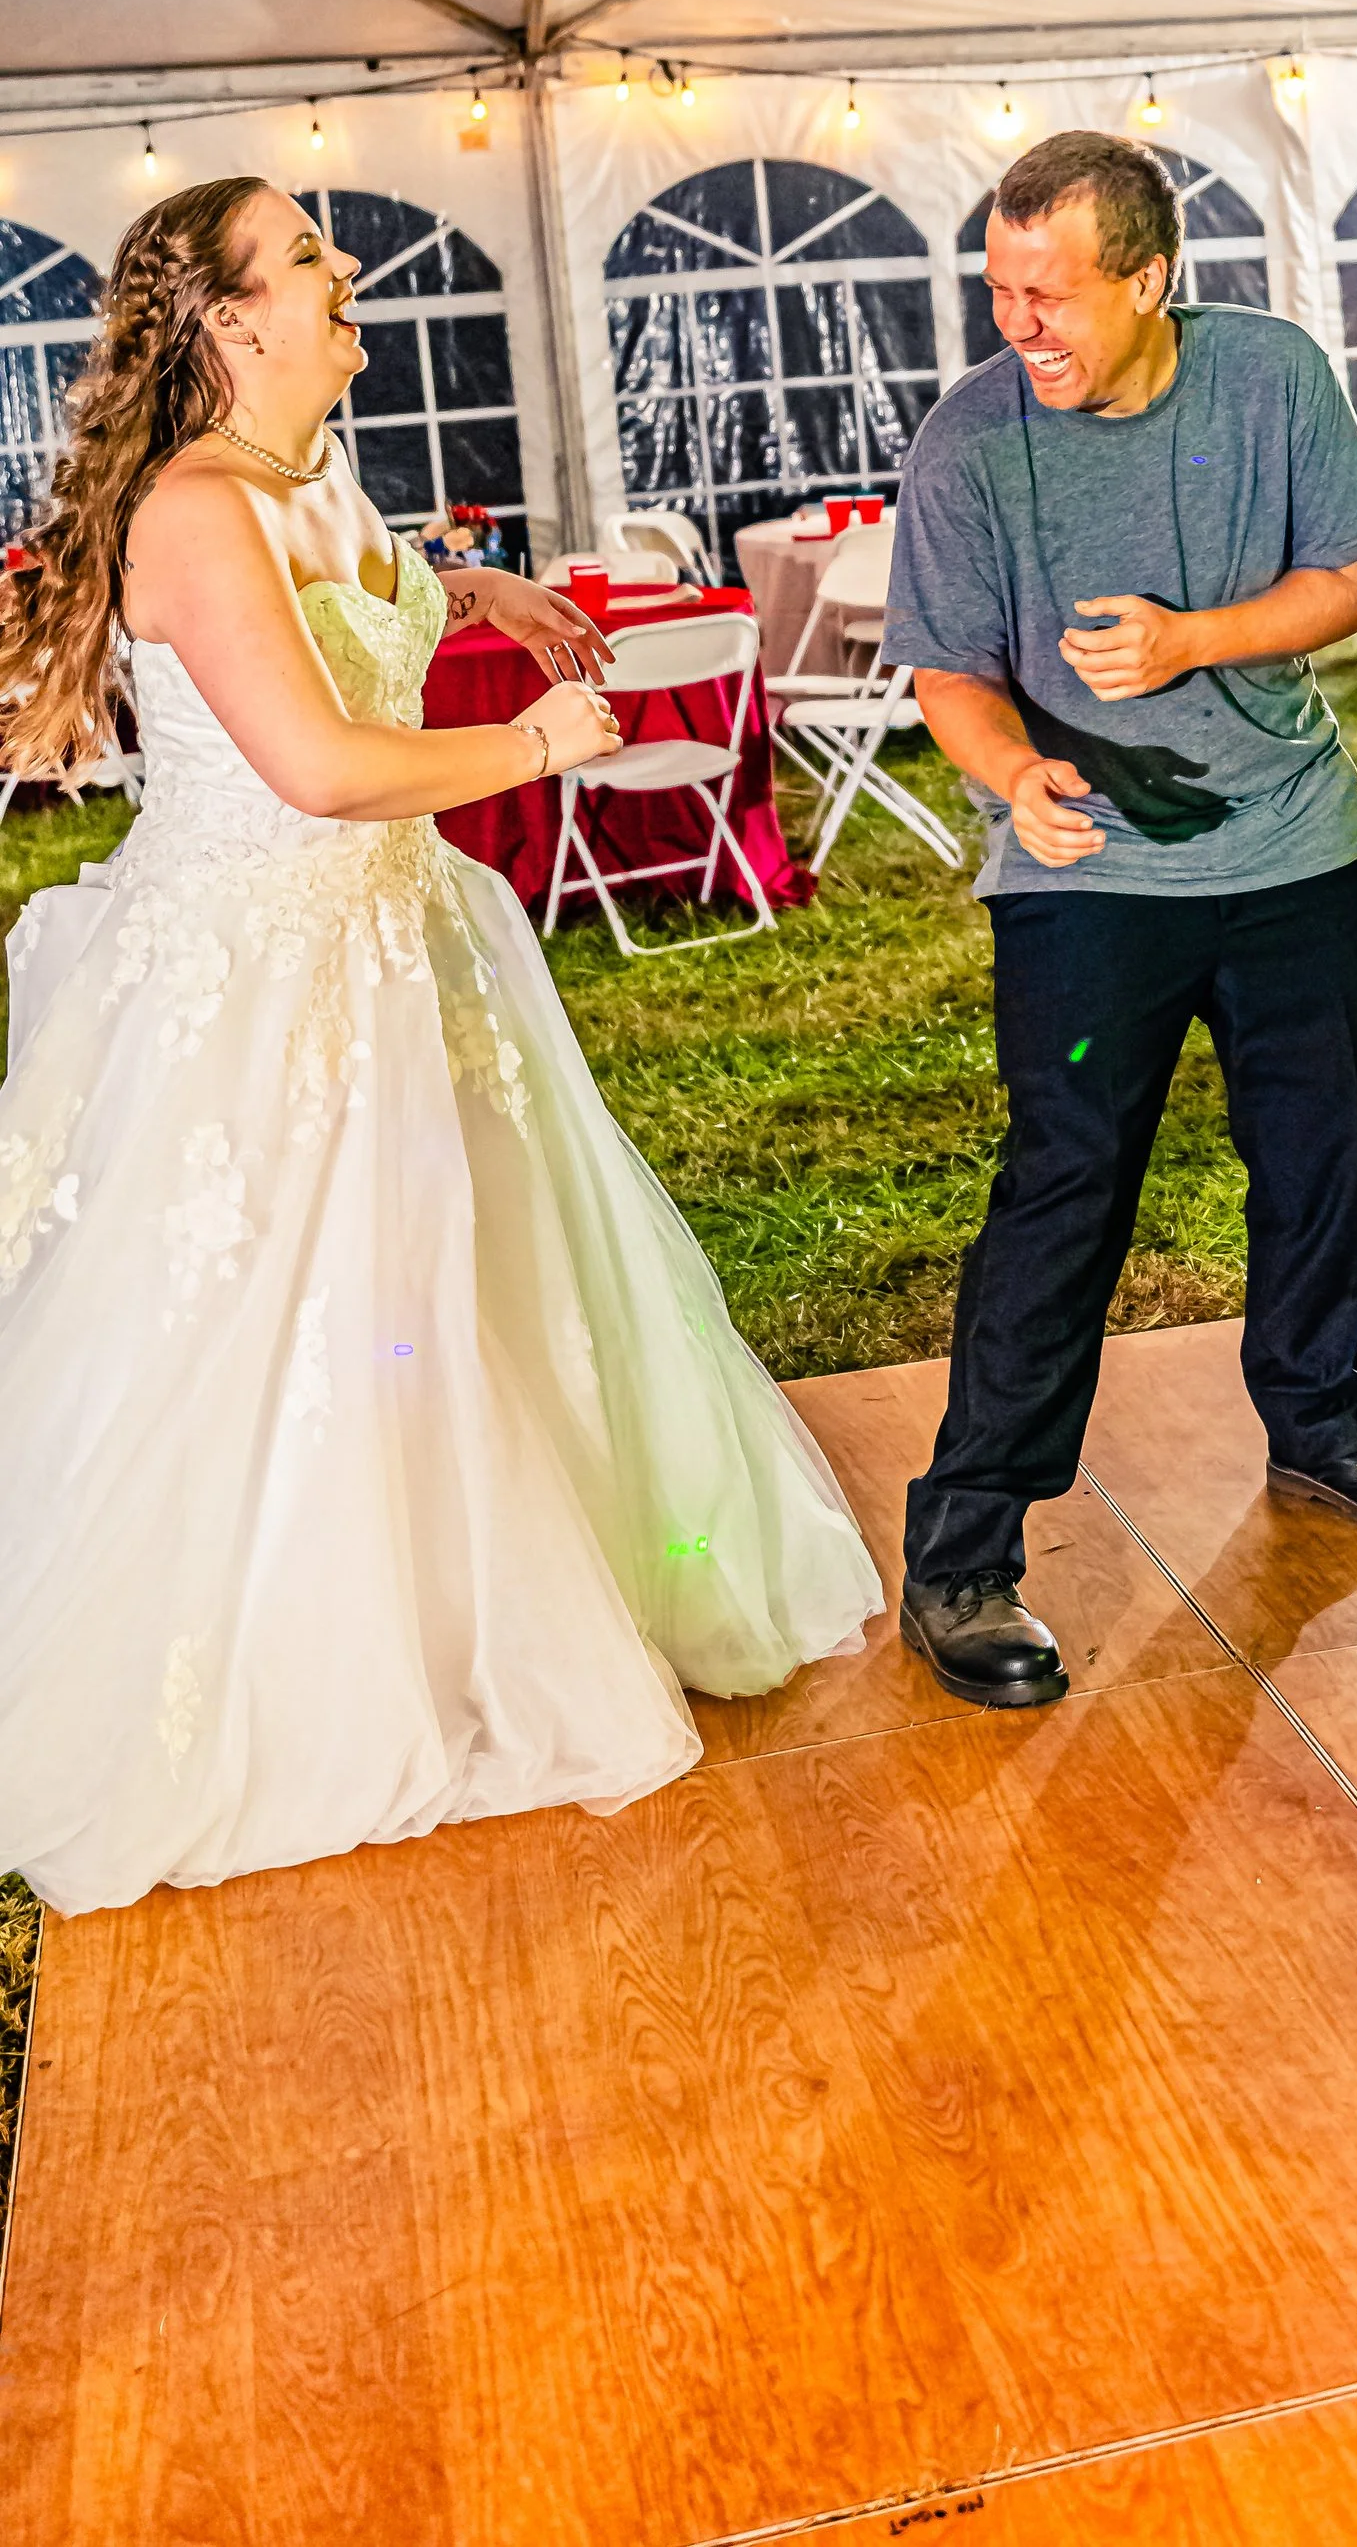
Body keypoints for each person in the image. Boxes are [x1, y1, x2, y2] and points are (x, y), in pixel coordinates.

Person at [0, 179, 880, 1915]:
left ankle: (474, 1611)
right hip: (259, 991)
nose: (350, 274)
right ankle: (294, 1671)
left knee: (453, 1299)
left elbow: (371, 594)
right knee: (281, 1325)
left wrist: (478, 595)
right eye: (310, 256)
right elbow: (321, 770)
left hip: (404, 963)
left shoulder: (312, 475)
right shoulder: (188, 510)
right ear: (234, 321)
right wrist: (541, 741)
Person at [883, 130, 1357, 1709]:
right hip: (1085, 882)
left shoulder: (1271, 380)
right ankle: (965, 1546)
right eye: (1001, 290)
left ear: (1150, 282)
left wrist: (1195, 637)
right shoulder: (969, 444)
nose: (1021, 324)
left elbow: (1351, 573)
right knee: (1063, 1189)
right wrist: (1014, 774)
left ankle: (1320, 1416)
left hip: (1290, 846)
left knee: (1329, 1143)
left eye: (1052, 293)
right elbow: (947, 662)